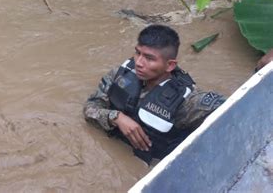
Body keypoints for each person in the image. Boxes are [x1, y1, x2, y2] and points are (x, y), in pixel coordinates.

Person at [83, 24, 225, 164]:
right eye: (138, 53)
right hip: (114, 154)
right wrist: (116, 118)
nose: (138, 62)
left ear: (170, 65)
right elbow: (90, 107)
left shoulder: (188, 100)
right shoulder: (123, 73)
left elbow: (232, 110)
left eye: (149, 58)